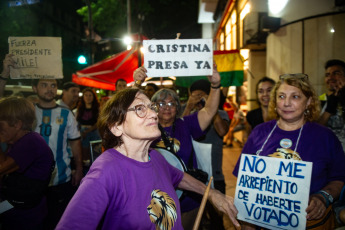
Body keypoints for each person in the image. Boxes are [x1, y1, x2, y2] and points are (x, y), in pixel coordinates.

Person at [55, 88, 240, 230]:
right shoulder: (106, 171)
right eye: (140, 109)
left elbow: (180, 177)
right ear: (116, 127)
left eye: (151, 107)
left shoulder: (154, 157)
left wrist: (212, 194)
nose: (153, 113)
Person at [233, 73, 345, 229]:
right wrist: (247, 223)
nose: (286, 103)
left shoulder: (325, 137)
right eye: (281, 96)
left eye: (295, 97)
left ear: (309, 102)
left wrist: (323, 197)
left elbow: (339, 177)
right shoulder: (259, 132)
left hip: (311, 224)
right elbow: (245, 182)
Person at [134, 64, 222, 229]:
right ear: (152, 107)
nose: (166, 108)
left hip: (188, 198)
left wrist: (215, 85)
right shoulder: (143, 127)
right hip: (153, 197)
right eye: (160, 104)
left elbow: (209, 111)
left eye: (171, 104)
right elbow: (125, 112)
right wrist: (136, 85)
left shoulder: (186, 124)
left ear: (178, 107)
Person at [32, 78, 83, 229]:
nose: (49, 89)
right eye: (44, 85)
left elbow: (75, 142)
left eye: (53, 85)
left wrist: (79, 169)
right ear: (34, 88)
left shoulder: (67, 114)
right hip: (32, 180)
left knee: (58, 222)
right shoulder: (29, 111)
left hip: (61, 179)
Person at [182, 79, 230, 230]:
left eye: (201, 96)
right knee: (194, 219)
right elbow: (178, 131)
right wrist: (189, 106)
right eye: (194, 95)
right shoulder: (184, 111)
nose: (198, 99)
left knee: (216, 218)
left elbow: (222, 131)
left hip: (215, 175)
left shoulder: (220, 113)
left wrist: (211, 108)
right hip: (191, 176)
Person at [0, 97, 54, 230]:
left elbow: (2, 168)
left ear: (17, 124)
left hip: (25, 217)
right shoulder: (18, 141)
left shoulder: (31, 142)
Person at [318, 59, 345, 151]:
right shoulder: (320, 101)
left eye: (336, 73)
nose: (331, 78)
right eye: (327, 75)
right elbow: (314, 130)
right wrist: (329, 109)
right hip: (328, 155)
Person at [76, 88, 101, 164]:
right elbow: (77, 122)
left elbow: (99, 122)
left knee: (96, 154)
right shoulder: (79, 108)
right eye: (86, 95)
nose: (88, 97)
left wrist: (87, 131)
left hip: (94, 132)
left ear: (93, 97)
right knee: (84, 156)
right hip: (82, 133)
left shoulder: (98, 108)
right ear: (83, 97)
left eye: (90, 95)